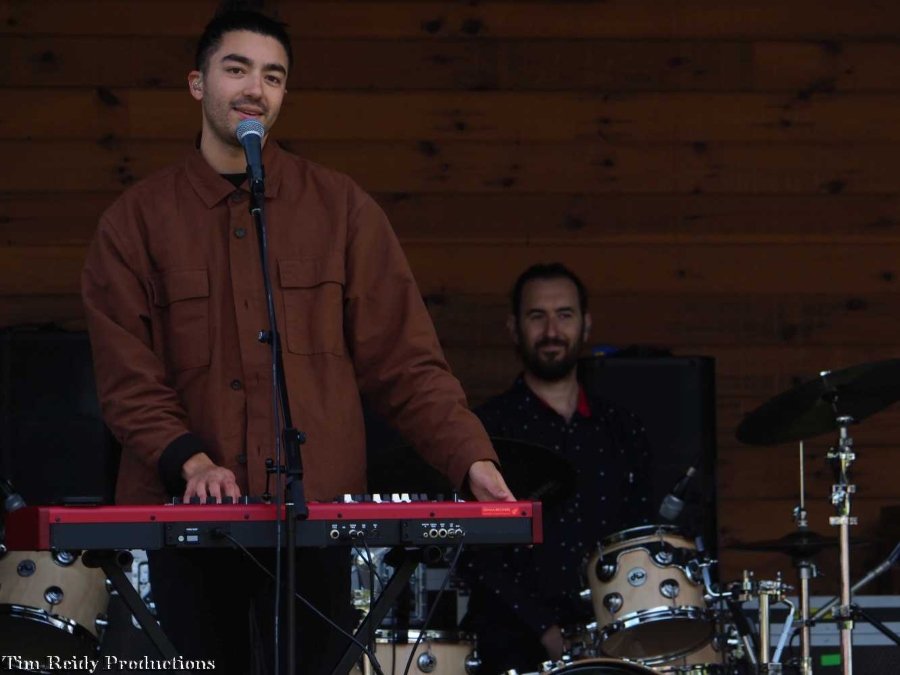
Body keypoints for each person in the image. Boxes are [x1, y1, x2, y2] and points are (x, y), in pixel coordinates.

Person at [80, 7, 512, 674]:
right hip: (184, 520)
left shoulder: (341, 208)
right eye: (237, 69)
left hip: (317, 521)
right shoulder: (134, 221)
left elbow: (404, 360)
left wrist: (469, 458)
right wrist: (191, 462)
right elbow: (126, 378)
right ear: (197, 83)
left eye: (273, 76)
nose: (255, 88)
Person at [460, 263, 654, 674]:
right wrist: (547, 630)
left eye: (564, 315)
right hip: (513, 648)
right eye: (537, 316)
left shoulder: (622, 428)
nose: (551, 330)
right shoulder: (486, 432)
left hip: (613, 642)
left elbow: (642, 533)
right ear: (514, 327)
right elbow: (476, 553)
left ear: (586, 324)